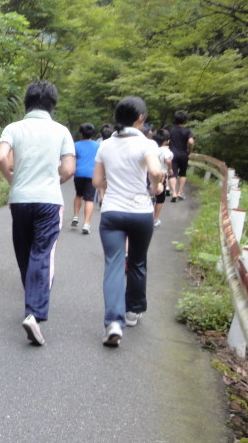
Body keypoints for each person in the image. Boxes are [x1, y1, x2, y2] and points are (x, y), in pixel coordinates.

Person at [0, 80, 76, 346]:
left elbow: (1, 157)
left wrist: (13, 180)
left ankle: (31, 301)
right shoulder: (62, 131)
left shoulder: (13, 128)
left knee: (24, 251)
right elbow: (68, 169)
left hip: (20, 199)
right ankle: (34, 313)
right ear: (53, 105)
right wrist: (54, 179)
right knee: (41, 252)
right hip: (48, 200)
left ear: (26, 102)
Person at [92, 96, 164, 347]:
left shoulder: (105, 146)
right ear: (140, 118)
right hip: (140, 211)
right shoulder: (147, 144)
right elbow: (155, 171)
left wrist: (114, 181)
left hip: (112, 211)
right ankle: (133, 311)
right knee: (137, 261)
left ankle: (113, 322)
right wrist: (156, 187)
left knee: (113, 263)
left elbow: (96, 181)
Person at [71, 123, 100, 234]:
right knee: (89, 199)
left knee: (79, 194)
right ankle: (86, 224)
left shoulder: (76, 145)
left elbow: (72, 158)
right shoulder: (97, 146)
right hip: (92, 174)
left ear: (81, 133)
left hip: (79, 173)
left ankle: (75, 216)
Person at [167, 110, 195, 201]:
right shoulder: (187, 131)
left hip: (172, 153)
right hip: (183, 154)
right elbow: (191, 142)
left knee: (172, 173)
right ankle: (180, 192)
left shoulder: (171, 130)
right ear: (185, 120)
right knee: (182, 173)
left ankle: (174, 193)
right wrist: (190, 151)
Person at [152, 128, 174, 228]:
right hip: (162, 175)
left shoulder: (151, 148)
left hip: (150, 174)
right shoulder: (166, 150)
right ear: (165, 141)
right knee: (160, 199)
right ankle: (155, 219)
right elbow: (168, 160)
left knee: (150, 196)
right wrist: (170, 168)